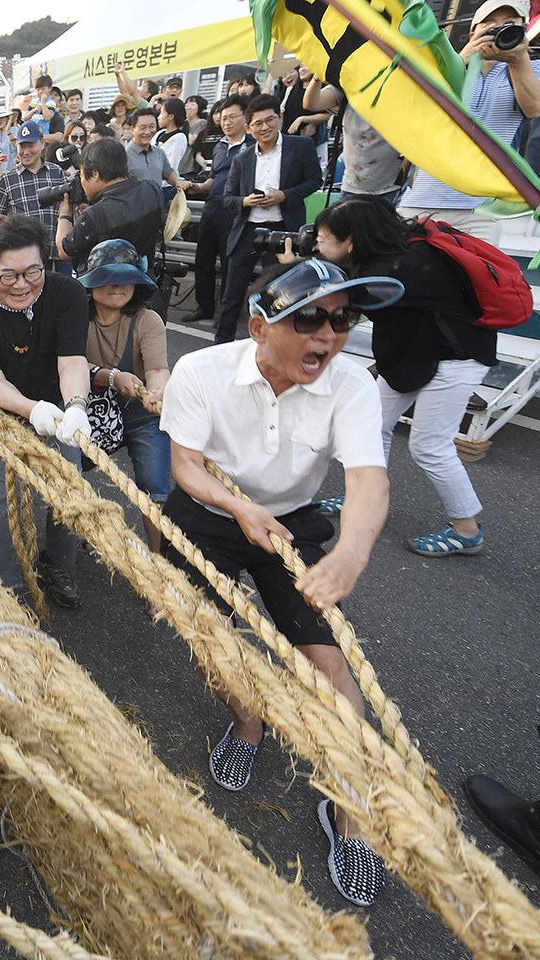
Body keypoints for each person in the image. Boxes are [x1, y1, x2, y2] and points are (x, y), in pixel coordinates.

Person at [158, 258, 403, 907]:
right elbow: (185, 465)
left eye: (343, 318)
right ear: (260, 325)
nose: (328, 335)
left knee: (329, 664)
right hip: (211, 514)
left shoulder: (352, 385)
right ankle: (247, 724)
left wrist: (351, 549)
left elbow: (368, 482)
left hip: (292, 525)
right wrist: (239, 507)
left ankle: (350, 814)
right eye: (310, 318)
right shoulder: (200, 372)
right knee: (212, 639)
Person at [303, 200, 495, 555]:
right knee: (370, 424)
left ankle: (466, 530)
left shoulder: (401, 267)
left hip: (455, 358)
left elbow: (341, 306)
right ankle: (367, 497)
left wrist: (297, 270)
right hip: (414, 355)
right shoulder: (394, 254)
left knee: (430, 446)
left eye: (324, 238)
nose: (316, 244)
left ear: (351, 242)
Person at [0, 215, 92, 608]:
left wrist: (76, 407)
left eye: (33, 271)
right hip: (8, 413)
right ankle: (10, 584)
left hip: (62, 407)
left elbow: (72, 361)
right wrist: (32, 410)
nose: (22, 284)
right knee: (5, 498)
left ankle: (59, 565)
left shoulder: (68, 293)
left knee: (69, 489)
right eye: (8, 275)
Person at [398, 1, 540, 239]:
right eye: (490, 25)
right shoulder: (442, 63)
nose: (499, 30)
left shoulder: (531, 68)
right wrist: (462, 58)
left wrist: (518, 60)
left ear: (522, 31)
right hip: (423, 198)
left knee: (479, 276)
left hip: (484, 207)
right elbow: (419, 106)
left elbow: (534, 108)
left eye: (509, 24)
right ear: (473, 32)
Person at [76, 241, 171, 557]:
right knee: (66, 470)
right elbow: (68, 363)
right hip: (91, 411)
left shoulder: (148, 320)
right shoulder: (76, 318)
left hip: (142, 415)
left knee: (155, 490)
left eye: (124, 278)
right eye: (107, 277)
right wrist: (110, 377)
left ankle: (160, 567)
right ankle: (72, 535)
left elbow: (157, 369)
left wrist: (157, 392)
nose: (116, 286)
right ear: (90, 282)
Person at [215, 94, 322, 343]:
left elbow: (315, 180)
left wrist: (284, 196)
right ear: (249, 128)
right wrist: (245, 202)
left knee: (283, 291)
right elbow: (227, 197)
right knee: (232, 294)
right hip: (248, 231)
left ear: (280, 118)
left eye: (270, 120)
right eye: (258, 123)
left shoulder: (301, 146)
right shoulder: (242, 159)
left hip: (284, 231)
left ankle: (280, 344)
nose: (265, 127)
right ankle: (221, 345)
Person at [178, 94, 252, 324]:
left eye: (232, 117)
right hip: (212, 208)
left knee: (230, 266)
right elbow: (213, 178)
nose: (227, 122)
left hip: (236, 213)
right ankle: (205, 306)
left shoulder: (252, 146)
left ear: (245, 117)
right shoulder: (219, 147)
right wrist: (197, 187)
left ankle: (227, 314)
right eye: (223, 117)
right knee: (204, 261)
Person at [55, 139, 166, 269]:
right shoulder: (152, 189)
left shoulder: (95, 215)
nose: (82, 183)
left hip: (107, 286)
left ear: (95, 174)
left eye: (82, 176)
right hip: (147, 280)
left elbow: (64, 252)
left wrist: (64, 213)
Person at [0, 120, 68, 269]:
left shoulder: (56, 172)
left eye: (31, 145)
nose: (26, 151)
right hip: (22, 257)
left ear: (42, 143)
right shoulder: (8, 178)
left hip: (54, 254)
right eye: (22, 146)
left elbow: (66, 207)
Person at [125, 109, 186, 193]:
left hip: (157, 204)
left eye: (151, 126)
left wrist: (178, 181)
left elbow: (168, 173)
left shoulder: (159, 153)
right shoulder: (124, 156)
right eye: (143, 128)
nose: (147, 132)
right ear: (133, 129)